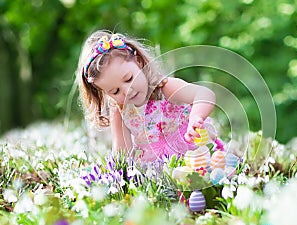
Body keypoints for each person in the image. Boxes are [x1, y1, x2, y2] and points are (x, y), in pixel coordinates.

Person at [76, 30, 223, 161]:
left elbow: (204, 94)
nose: (127, 91)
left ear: (139, 62)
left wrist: (196, 117)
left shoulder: (164, 87)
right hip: (158, 166)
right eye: (115, 91)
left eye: (128, 79)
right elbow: (122, 151)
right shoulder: (119, 109)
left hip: (192, 152)